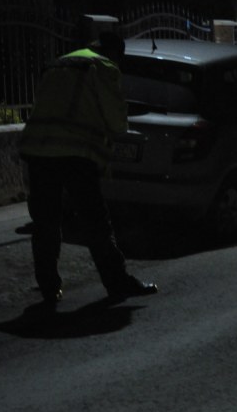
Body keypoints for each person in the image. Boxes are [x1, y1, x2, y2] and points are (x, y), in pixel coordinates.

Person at [19, 31, 157, 307]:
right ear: (116, 53)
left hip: (38, 150)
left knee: (46, 222)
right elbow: (117, 121)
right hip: (76, 154)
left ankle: (49, 287)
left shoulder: (59, 63)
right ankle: (117, 282)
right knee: (96, 223)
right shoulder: (104, 67)